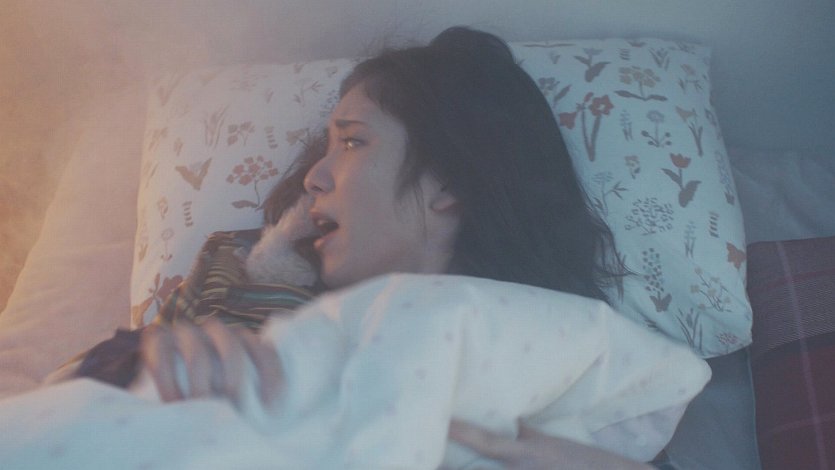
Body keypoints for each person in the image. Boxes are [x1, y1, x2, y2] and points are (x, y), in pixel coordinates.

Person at [141, 26, 655, 469]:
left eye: (352, 142)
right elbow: (104, 409)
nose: (314, 177)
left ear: (450, 178)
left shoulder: (553, 361)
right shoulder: (234, 271)